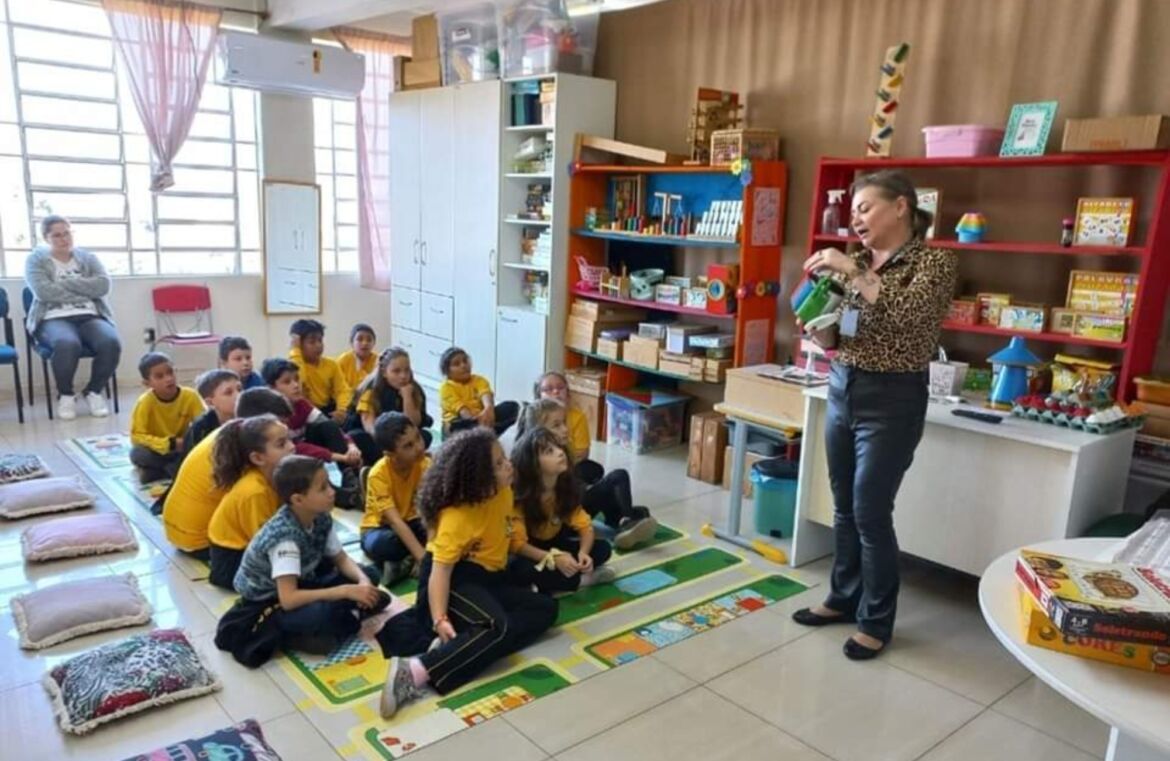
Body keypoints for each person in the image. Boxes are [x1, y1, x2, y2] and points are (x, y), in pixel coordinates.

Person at [791, 169, 957, 660]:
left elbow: (908, 314)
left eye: (864, 208)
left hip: (893, 399)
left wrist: (849, 268)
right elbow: (845, 332)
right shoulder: (860, 263)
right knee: (843, 504)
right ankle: (842, 598)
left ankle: (876, 621)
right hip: (843, 385)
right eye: (853, 212)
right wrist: (820, 329)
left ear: (901, 206)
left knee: (870, 510)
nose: (856, 220)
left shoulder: (933, 263)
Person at [377, 428, 557, 719]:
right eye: (498, 464)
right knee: (496, 627)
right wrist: (439, 619)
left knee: (546, 609)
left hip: (488, 577)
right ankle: (415, 670)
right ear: (479, 478)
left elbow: (506, 534)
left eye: (504, 458)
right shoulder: (458, 516)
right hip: (452, 580)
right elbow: (439, 572)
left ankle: (467, 646)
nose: (508, 465)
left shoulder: (503, 491)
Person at [216, 455, 388, 666]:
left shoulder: (320, 515)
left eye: (329, 484)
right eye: (323, 488)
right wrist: (345, 591)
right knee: (323, 614)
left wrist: (363, 582)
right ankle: (299, 634)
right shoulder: (284, 539)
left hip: (303, 581)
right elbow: (288, 599)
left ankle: (344, 616)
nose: (332, 492)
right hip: (271, 601)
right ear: (298, 499)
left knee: (371, 574)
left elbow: (341, 558)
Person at [162, 388, 292, 558]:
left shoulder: (229, 435)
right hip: (200, 540)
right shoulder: (246, 462)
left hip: (177, 530)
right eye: (280, 441)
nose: (291, 446)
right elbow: (263, 527)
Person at [518, 398, 657, 550]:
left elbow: (569, 485)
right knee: (617, 477)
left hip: (568, 512)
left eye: (564, 422)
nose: (565, 429)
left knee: (597, 476)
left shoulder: (560, 450)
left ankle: (619, 519)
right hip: (558, 523)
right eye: (556, 425)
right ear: (538, 431)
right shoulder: (533, 461)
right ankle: (625, 521)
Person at [23, 215, 122, 420]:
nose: (64, 239)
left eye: (67, 233)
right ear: (46, 238)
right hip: (52, 317)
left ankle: (93, 391)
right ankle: (66, 395)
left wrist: (65, 284)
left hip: (89, 315)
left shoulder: (88, 258)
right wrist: (84, 289)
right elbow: (43, 292)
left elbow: (103, 286)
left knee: (110, 342)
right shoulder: (36, 260)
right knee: (67, 343)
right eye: (57, 235)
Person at [509, 427, 615, 594]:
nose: (560, 453)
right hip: (532, 551)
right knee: (519, 568)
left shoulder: (564, 487)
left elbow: (585, 526)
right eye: (549, 451)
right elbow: (518, 545)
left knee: (603, 548)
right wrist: (552, 557)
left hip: (556, 544)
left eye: (558, 447)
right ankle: (581, 581)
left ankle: (556, 580)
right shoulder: (520, 497)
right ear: (533, 465)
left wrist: (583, 553)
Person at [206, 414, 296, 589]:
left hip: (248, 548)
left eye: (290, 439)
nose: (292, 446)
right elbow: (265, 542)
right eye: (281, 444)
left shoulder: (274, 476)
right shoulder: (255, 491)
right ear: (258, 458)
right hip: (231, 561)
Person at [361, 413, 430, 583]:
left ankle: (402, 563)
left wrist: (430, 548)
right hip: (382, 528)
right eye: (408, 446)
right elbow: (395, 522)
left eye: (418, 438)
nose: (419, 447)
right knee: (381, 544)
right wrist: (425, 559)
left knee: (445, 525)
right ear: (391, 454)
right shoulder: (378, 475)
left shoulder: (425, 464)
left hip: (414, 522)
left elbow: (432, 512)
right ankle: (410, 557)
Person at [346, 347, 434, 463]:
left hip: (404, 436)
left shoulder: (414, 389)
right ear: (384, 372)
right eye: (396, 371)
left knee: (425, 436)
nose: (403, 376)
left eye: (407, 370)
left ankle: (401, 458)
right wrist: (393, 444)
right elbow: (370, 428)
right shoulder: (370, 392)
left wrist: (407, 397)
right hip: (379, 438)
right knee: (356, 438)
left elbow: (414, 424)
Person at [128, 352, 204, 483]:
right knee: (137, 453)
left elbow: (203, 423)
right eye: (159, 376)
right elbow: (137, 436)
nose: (168, 379)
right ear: (147, 383)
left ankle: (159, 472)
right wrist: (169, 444)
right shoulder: (145, 402)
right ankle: (173, 469)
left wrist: (189, 441)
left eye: (170, 372)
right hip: (157, 450)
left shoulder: (190, 396)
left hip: (182, 447)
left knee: (204, 449)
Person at [438, 346, 518, 436]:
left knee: (512, 407)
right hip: (461, 421)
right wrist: (477, 421)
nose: (463, 365)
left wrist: (489, 409)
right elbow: (462, 411)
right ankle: (490, 431)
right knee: (459, 425)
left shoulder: (479, 380)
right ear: (447, 371)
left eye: (465, 361)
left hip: (482, 418)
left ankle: (487, 431)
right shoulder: (446, 387)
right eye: (457, 364)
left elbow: (485, 394)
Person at [289, 319, 352, 423]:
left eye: (320, 340)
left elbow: (342, 390)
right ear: (299, 344)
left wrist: (341, 410)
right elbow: (299, 381)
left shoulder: (331, 364)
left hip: (328, 410)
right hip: (306, 412)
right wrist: (295, 351)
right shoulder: (294, 364)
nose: (318, 345)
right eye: (312, 342)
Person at [183, 369, 242, 454]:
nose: (239, 395)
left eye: (239, 389)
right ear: (210, 403)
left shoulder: (250, 418)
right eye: (228, 393)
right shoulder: (200, 429)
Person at [336, 323, 377, 390]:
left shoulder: (378, 361)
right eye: (360, 339)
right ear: (351, 342)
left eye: (369, 340)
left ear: (374, 343)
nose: (365, 343)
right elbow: (338, 388)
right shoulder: (342, 361)